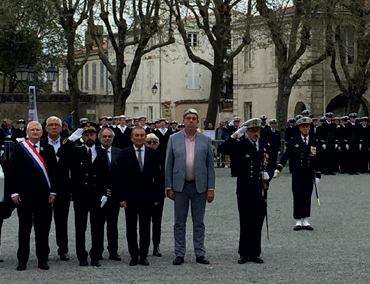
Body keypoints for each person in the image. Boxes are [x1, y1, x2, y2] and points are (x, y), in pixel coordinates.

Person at [164, 108, 216, 265]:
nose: (191, 120)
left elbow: (210, 167)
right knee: (179, 222)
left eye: (194, 118)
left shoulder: (205, 140)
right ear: (184, 120)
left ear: (197, 121)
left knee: (198, 222)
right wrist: (169, 187)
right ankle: (179, 253)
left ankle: (199, 252)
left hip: (200, 187)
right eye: (188, 118)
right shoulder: (173, 139)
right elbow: (169, 164)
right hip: (180, 187)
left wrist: (211, 188)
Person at [8, 120, 57, 270]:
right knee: (24, 229)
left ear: (42, 132)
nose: (35, 132)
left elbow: (55, 172)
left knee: (42, 229)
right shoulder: (19, 148)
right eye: (32, 130)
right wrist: (13, 192)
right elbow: (12, 171)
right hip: (24, 195)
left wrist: (53, 191)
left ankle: (42, 259)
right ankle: (22, 259)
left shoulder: (48, 149)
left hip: (43, 195)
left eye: (37, 130)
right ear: (27, 132)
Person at [219, 118, 270, 264]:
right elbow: (223, 149)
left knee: (258, 220)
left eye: (257, 130)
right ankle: (244, 252)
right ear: (246, 131)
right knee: (246, 220)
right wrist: (235, 135)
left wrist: (269, 176)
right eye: (253, 130)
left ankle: (255, 252)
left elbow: (270, 164)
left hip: (260, 189)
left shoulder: (263, 145)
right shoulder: (240, 145)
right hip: (245, 189)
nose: (256, 133)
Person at [113, 127, 163, 266]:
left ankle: (143, 255)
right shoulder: (124, 153)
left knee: (145, 227)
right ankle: (133, 255)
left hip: (148, 196)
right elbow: (120, 177)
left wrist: (158, 196)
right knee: (131, 228)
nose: (139, 138)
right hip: (130, 197)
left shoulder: (152, 153)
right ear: (131, 137)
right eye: (137, 135)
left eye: (142, 135)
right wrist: (121, 198)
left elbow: (158, 177)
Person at [67, 125, 111, 266]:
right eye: (86, 135)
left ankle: (95, 255)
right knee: (80, 227)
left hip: (97, 195)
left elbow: (107, 175)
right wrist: (70, 139)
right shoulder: (75, 151)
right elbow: (61, 153)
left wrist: (106, 193)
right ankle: (82, 256)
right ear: (82, 137)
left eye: (92, 134)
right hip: (81, 195)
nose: (89, 137)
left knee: (97, 227)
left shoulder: (102, 152)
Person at [275, 116, 321, 231]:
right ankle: (298, 220)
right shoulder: (294, 141)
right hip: (297, 173)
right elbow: (286, 156)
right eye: (303, 127)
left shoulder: (313, 142)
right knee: (298, 195)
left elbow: (318, 159)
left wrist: (318, 175)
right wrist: (279, 168)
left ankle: (305, 219)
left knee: (307, 195)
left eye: (307, 127)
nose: (305, 129)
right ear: (300, 128)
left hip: (309, 173)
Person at [43, 116, 72, 261]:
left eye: (56, 125)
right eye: (51, 125)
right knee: (44, 221)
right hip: (44, 188)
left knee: (61, 221)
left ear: (61, 128)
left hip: (63, 187)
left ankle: (63, 249)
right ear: (46, 128)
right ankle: (44, 250)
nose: (54, 128)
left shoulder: (69, 144)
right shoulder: (40, 145)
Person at [99, 127, 123, 261]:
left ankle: (113, 250)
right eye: (104, 136)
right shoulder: (94, 151)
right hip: (99, 194)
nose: (107, 139)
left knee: (113, 225)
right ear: (100, 138)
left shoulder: (119, 153)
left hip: (114, 194)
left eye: (109, 137)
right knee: (98, 224)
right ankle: (98, 249)